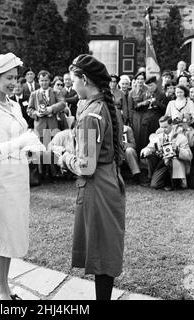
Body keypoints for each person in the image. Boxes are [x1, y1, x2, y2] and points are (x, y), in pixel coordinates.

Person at [0, 52, 43, 300]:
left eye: (16, 77)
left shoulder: (14, 104)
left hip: (18, 176)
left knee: (12, 232)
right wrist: (15, 145)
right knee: (2, 232)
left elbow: (21, 134)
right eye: (8, 78)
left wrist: (30, 147)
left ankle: (2, 284)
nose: (14, 82)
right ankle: (1, 289)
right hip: (0, 179)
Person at [58, 54, 125, 300]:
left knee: (102, 251)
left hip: (98, 186)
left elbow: (86, 166)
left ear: (84, 79)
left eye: (73, 79)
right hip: (111, 180)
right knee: (105, 248)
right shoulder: (108, 106)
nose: (70, 85)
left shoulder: (91, 114)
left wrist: (64, 157)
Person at [140, 115, 192, 190]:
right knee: (154, 185)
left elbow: (189, 156)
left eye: (165, 127)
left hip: (175, 163)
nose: (163, 129)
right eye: (161, 127)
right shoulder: (158, 137)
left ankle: (176, 182)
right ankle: (163, 182)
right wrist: (144, 152)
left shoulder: (181, 138)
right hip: (163, 163)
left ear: (171, 125)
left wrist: (177, 150)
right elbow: (149, 147)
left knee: (172, 161)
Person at [127, 71, 149, 156]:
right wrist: (130, 119)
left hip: (146, 115)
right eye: (138, 79)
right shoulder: (132, 93)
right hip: (136, 116)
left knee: (145, 136)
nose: (140, 81)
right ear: (135, 81)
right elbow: (130, 108)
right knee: (137, 136)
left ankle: (144, 158)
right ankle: (136, 157)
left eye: (142, 79)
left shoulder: (147, 90)